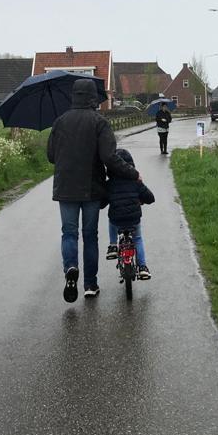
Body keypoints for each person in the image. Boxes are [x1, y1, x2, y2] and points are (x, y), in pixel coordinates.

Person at [47, 79, 138, 302]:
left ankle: (70, 268)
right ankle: (90, 284)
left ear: (73, 96)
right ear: (92, 98)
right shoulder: (99, 122)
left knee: (69, 233)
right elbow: (109, 157)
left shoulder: (60, 122)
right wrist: (132, 173)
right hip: (91, 188)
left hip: (66, 188)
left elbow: (51, 156)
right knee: (90, 236)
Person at [104, 148, 156, 279]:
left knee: (111, 220)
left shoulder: (109, 184)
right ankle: (143, 267)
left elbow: (102, 203)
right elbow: (150, 198)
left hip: (117, 219)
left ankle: (113, 245)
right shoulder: (135, 182)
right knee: (137, 238)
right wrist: (141, 200)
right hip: (134, 219)